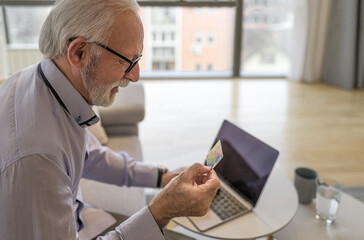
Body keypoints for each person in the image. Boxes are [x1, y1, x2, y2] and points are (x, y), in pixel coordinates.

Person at [0, 0, 220, 239]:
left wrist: (163, 177)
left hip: (78, 219)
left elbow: (89, 157)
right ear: (79, 52)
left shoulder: (43, 82)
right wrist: (160, 212)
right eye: (127, 61)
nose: (135, 76)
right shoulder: (36, 160)